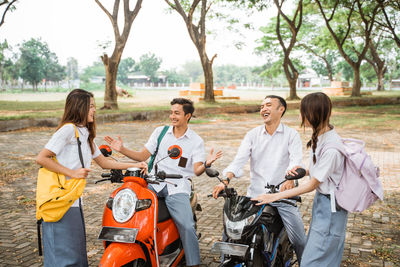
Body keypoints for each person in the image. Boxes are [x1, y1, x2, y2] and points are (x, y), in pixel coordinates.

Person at [36, 89, 147, 267]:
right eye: (91, 106)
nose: (94, 110)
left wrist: (134, 166)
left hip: (74, 201)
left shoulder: (85, 134)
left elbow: (104, 162)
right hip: (59, 202)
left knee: (76, 254)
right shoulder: (67, 130)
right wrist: (72, 173)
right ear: (80, 107)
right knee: (63, 257)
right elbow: (41, 158)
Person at [105, 98, 222, 267]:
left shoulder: (195, 141)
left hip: (178, 187)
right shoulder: (161, 132)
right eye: (171, 112)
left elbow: (197, 170)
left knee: (187, 226)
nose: (172, 116)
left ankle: (194, 263)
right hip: (153, 183)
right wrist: (122, 149)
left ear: (187, 116)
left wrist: (206, 163)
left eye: (177, 113)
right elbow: (142, 156)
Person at [253, 92, 348, 266]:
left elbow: (312, 184)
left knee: (315, 259)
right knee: (318, 255)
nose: (300, 116)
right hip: (322, 203)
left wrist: (274, 196)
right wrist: (301, 171)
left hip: (331, 207)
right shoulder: (321, 137)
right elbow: (315, 170)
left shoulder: (332, 147)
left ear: (313, 113)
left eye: (302, 111)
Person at [212, 95, 306, 262]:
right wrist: (226, 179)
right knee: (230, 235)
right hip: (255, 196)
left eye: (268, 105)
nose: (263, 109)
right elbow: (239, 161)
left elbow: (295, 161)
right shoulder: (252, 135)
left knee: (299, 240)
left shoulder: (292, 135)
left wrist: (290, 178)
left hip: (281, 196)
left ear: (281, 109)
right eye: (262, 106)